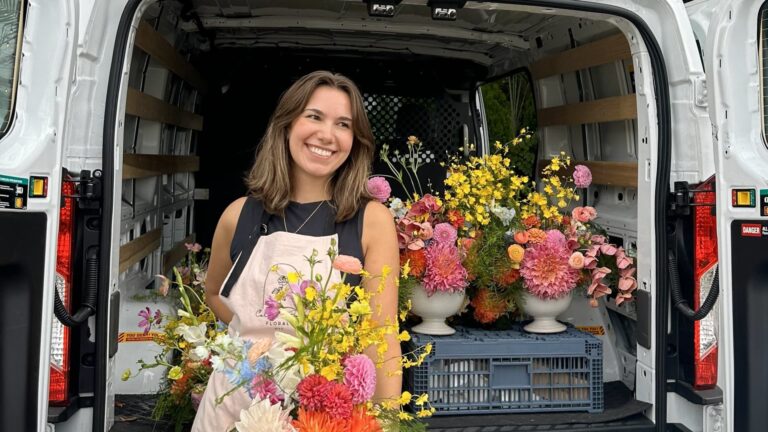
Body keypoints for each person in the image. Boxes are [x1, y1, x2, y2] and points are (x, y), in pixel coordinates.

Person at [192, 71, 401, 431]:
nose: (326, 134)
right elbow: (213, 292)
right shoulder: (238, 215)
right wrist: (258, 347)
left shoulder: (372, 221)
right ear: (287, 124)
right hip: (231, 408)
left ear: (355, 140)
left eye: (343, 124)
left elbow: (381, 333)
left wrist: (386, 421)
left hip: (322, 415)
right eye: (314, 116)